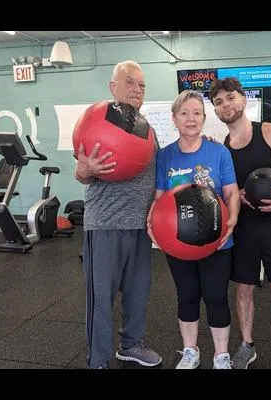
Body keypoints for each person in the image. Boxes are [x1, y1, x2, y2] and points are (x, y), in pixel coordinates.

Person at [209, 77, 271, 369]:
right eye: (218, 102)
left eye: (230, 98)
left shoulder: (270, 132)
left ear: (242, 99)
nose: (225, 105)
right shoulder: (223, 149)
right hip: (243, 227)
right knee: (243, 289)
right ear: (215, 110)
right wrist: (236, 196)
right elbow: (226, 191)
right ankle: (246, 346)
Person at [74, 60, 162, 369]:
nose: (137, 89)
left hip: (140, 226)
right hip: (106, 225)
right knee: (101, 299)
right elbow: (82, 171)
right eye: (130, 82)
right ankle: (98, 358)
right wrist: (83, 170)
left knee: (138, 293)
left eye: (142, 85)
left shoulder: (148, 131)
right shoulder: (97, 123)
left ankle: (131, 344)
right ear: (113, 87)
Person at [147, 89, 240, 369]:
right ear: (174, 119)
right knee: (187, 296)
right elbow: (160, 196)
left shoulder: (219, 151)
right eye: (184, 113)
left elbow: (232, 192)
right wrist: (151, 221)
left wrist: (233, 216)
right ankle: (190, 351)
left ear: (203, 117)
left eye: (197, 113)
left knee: (216, 297)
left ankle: (221, 355)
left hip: (217, 240)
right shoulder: (165, 156)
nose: (191, 118)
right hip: (178, 242)